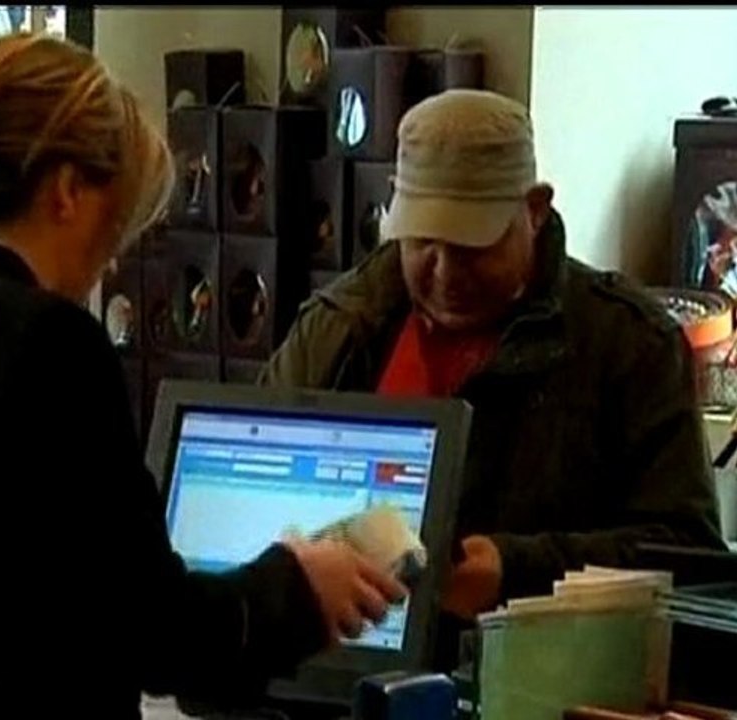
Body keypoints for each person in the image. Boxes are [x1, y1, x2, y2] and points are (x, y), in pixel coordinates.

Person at [0, 34, 405, 716]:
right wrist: (298, 589)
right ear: (68, 190)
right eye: (118, 216)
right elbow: (157, 630)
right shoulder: (48, 341)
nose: (111, 259)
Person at [262, 89, 724, 660]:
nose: (444, 271)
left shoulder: (629, 346)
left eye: (471, 244)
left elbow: (691, 556)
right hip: (338, 673)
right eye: (424, 240)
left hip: (537, 681)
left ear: (533, 208)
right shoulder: (338, 330)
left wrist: (517, 568)